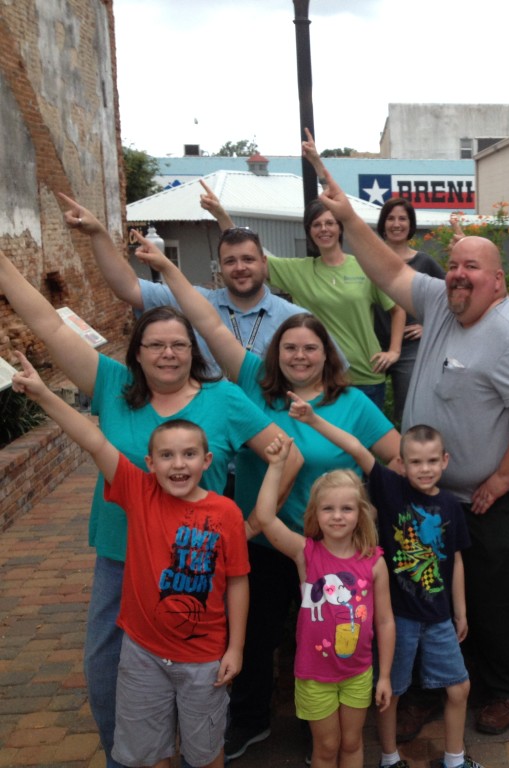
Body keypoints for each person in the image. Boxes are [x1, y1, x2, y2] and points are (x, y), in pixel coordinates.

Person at [0, 248, 298, 768]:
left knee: (196, 684)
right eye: (155, 345)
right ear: (136, 353)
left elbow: (284, 454)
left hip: (195, 567)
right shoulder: (112, 386)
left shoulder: (222, 398)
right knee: (108, 672)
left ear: (193, 350)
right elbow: (47, 323)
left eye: (178, 345)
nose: (167, 354)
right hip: (121, 556)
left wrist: (251, 524)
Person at [132, 239, 401, 760]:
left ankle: (318, 728)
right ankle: (251, 720)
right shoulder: (256, 384)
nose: (299, 356)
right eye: (290, 348)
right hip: (261, 539)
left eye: (311, 348)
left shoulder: (353, 406)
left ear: (328, 355)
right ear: (276, 354)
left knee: (326, 633)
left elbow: (393, 462)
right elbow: (209, 324)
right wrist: (166, 266)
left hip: (331, 550)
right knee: (253, 635)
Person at [315, 170, 509, 735]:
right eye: (453, 264)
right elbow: (392, 269)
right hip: (427, 489)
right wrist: (351, 218)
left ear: (498, 282)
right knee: (422, 589)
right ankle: (429, 690)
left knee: (488, 594)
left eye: (472, 267)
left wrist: (501, 479)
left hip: (483, 499)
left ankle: (503, 689)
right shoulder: (443, 302)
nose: (458, 274)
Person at [12, 353, 249, 768]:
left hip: (204, 657)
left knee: (207, 752)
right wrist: (43, 394)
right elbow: (92, 439)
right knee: (149, 754)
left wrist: (236, 647)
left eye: (190, 455)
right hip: (144, 654)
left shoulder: (225, 513)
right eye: (168, 456)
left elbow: (237, 581)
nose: (179, 465)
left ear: (207, 462)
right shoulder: (138, 493)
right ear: (150, 463)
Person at [285, 400, 481, 768]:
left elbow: (455, 559)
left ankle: (455, 760)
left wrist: (461, 610)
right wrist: (313, 419)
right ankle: (390, 759)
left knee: (459, 686)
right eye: (415, 462)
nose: (424, 469)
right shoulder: (391, 488)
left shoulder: (452, 506)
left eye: (432, 461)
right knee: (390, 692)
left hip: (439, 617)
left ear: (445, 461)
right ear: (402, 464)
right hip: (401, 616)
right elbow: (357, 447)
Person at [59, 190, 318, 377]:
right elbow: (129, 288)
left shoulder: (295, 319)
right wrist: (98, 234)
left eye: (248, 259)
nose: (239, 268)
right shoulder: (195, 302)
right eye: (230, 261)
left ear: (263, 262)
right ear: (219, 266)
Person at [251, 437, 394, 768]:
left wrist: (384, 675)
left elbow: (385, 622)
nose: (338, 516)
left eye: (347, 508)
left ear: (361, 513)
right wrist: (275, 466)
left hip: (358, 672)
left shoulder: (374, 562)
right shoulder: (306, 554)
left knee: (353, 742)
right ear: (315, 513)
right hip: (315, 674)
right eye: (328, 508)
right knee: (327, 747)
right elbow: (266, 518)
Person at [244, 128, 403, 410]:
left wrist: (393, 350)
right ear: (309, 233)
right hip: (321, 380)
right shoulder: (299, 271)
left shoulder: (364, 266)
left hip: (366, 379)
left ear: (340, 227)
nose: (324, 229)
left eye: (330, 223)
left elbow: (397, 307)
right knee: (327, 452)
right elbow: (247, 256)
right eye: (316, 225)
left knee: (370, 453)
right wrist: (221, 217)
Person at [373, 197, 446, 421]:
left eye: (402, 219)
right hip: (372, 344)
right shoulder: (369, 260)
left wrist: (428, 326)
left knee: (409, 412)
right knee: (369, 412)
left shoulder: (424, 262)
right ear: (383, 223)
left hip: (411, 349)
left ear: (410, 224)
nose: (396, 224)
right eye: (391, 218)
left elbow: (448, 298)